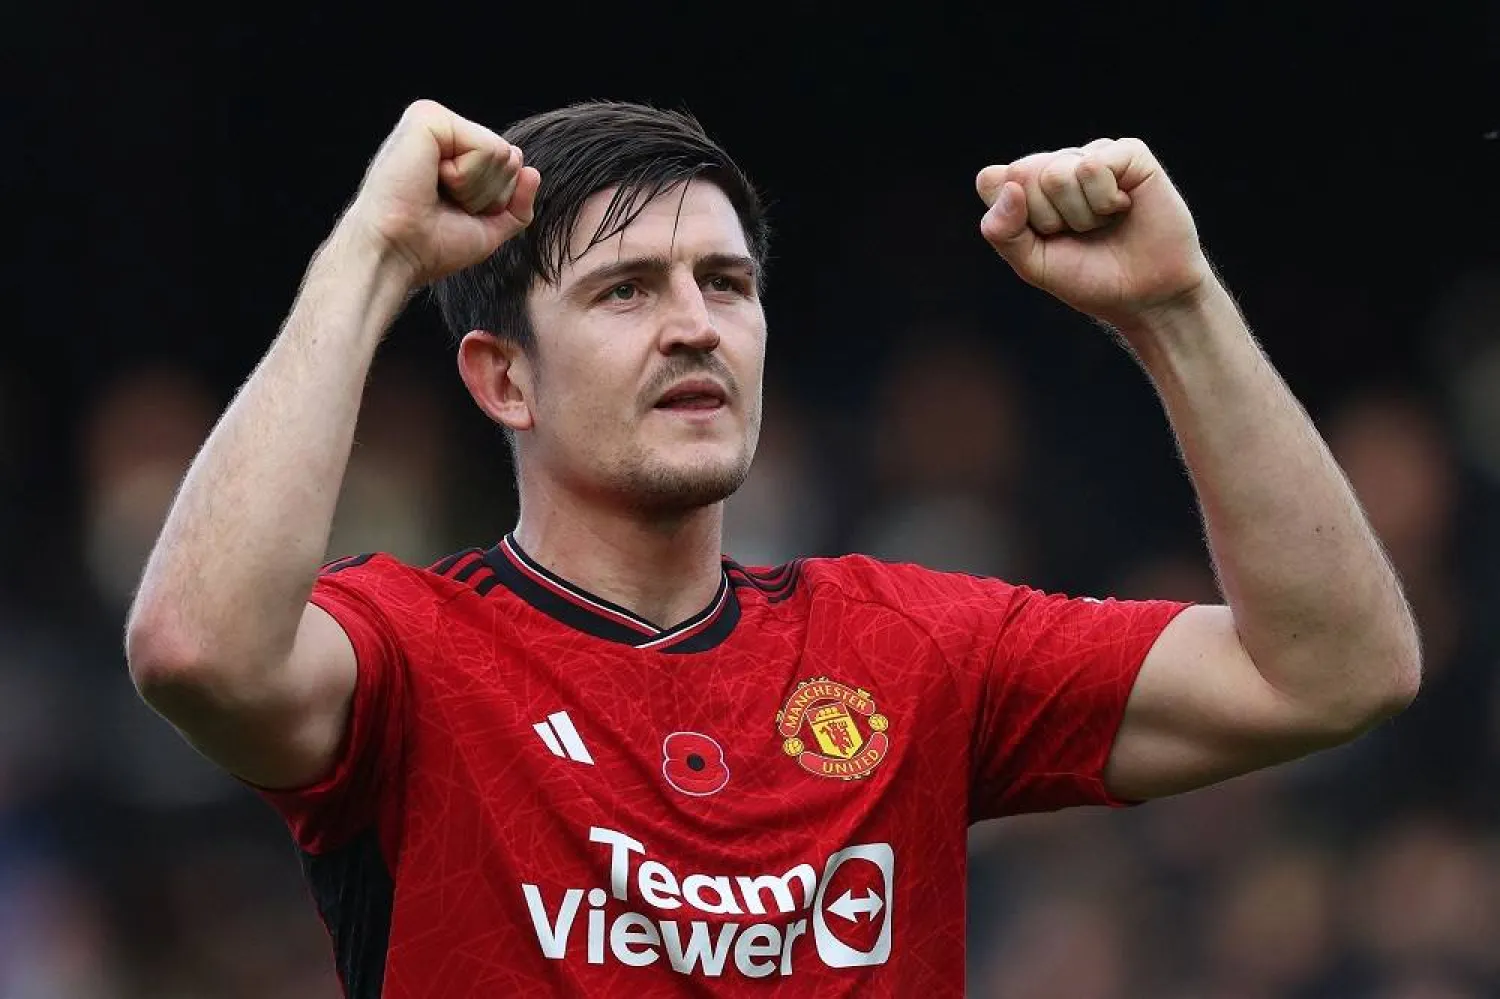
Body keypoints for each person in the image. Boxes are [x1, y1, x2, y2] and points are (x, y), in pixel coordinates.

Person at [124, 98, 1421, 997]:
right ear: (502, 378)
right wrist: (372, 253)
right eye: (627, 289)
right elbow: (196, 647)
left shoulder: (908, 648)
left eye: (726, 284)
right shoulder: (413, 651)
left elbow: (1332, 668)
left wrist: (1177, 310)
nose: (695, 325)